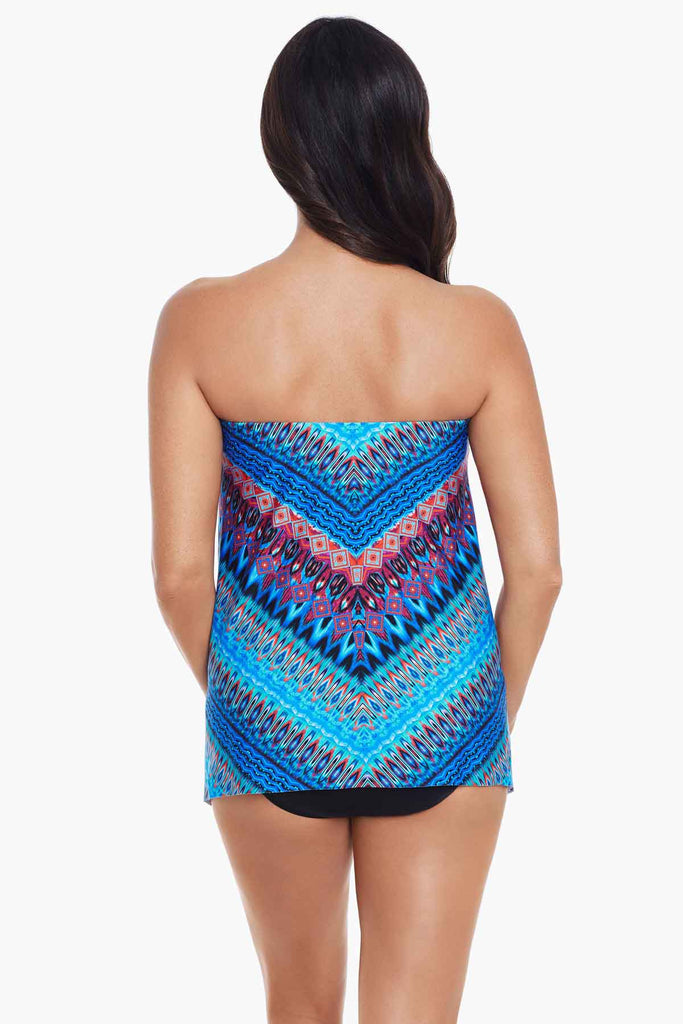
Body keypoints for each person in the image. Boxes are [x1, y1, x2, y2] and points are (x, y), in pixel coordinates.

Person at [148, 16, 562, 1023]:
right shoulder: (475, 325)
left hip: (268, 716)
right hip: (445, 716)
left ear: (280, 142)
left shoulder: (201, 320)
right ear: (403, 132)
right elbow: (540, 570)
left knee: (296, 1006)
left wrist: (263, 704)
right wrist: (473, 721)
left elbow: (179, 576)